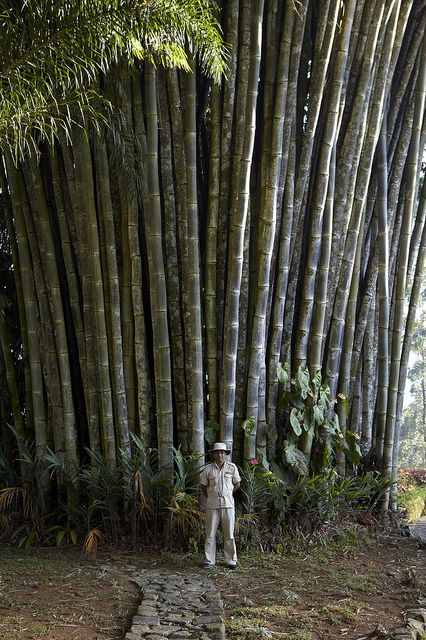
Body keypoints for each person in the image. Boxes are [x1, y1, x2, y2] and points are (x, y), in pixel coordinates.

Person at [199, 442, 241, 569]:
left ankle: (231, 560)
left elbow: (237, 484)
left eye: (222, 452)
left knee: (229, 534)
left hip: (228, 505)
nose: (220, 455)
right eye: (217, 452)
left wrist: (227, 494)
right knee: (210, 533)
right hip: (212, 504)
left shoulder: (232, 468)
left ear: (225, 454)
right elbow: (203, 486)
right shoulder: (208, 469)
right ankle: (209, 560)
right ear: (214, 454)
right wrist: (212, 495)